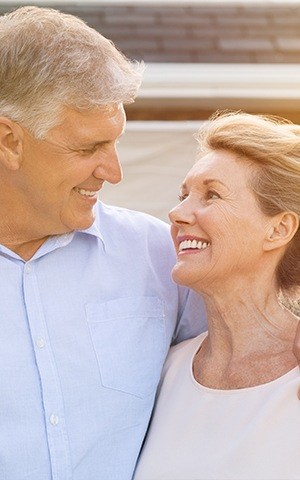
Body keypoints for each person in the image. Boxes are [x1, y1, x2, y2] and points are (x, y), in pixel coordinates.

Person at [0, 6, 207, 480]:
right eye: (87, 148)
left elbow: (252, 348)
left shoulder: (161, 256)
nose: (113, 172)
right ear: (9, 140)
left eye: (115, 143)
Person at [134, 111, 300, 480]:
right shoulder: (161, 371)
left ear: (279, 229)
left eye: (211, 195)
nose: (177, 213)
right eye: (183, 195)